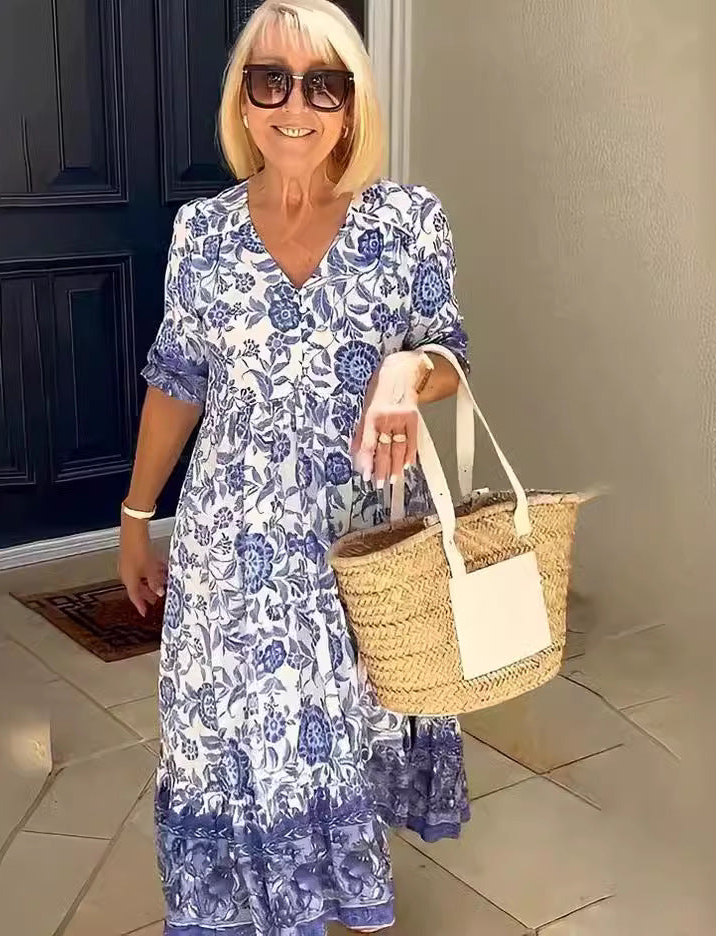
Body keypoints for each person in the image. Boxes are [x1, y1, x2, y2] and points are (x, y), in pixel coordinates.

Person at [119, 2, 471, 933]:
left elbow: (450, 354)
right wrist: (135, 517)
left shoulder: (407, 222)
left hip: (360, 543)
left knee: (342, 739)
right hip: (231, 547)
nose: (295, 106)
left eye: (324, 84)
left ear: (353, 105)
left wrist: (407, 371)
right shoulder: (203, 234)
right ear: (243, 99)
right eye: (270, 80)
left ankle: (338, 903)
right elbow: (176, 382)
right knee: (234, 745)